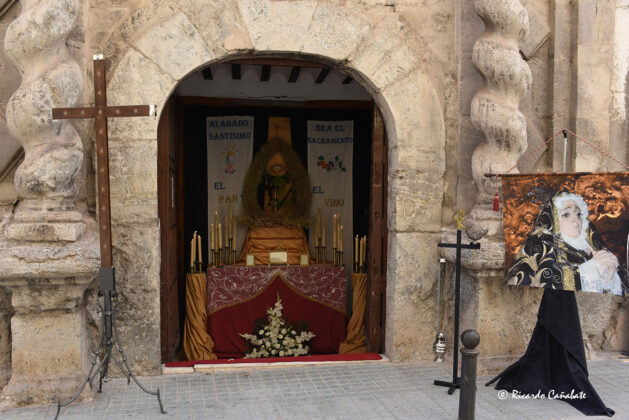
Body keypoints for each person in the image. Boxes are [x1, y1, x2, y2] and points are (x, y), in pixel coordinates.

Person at [505, 191, 628, 296]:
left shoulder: (592, 247)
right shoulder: (541, 251)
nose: (575, 219)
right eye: (566, 214)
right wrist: (589, 270)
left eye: (578, 214)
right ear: (554, 220)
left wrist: (611, 276)